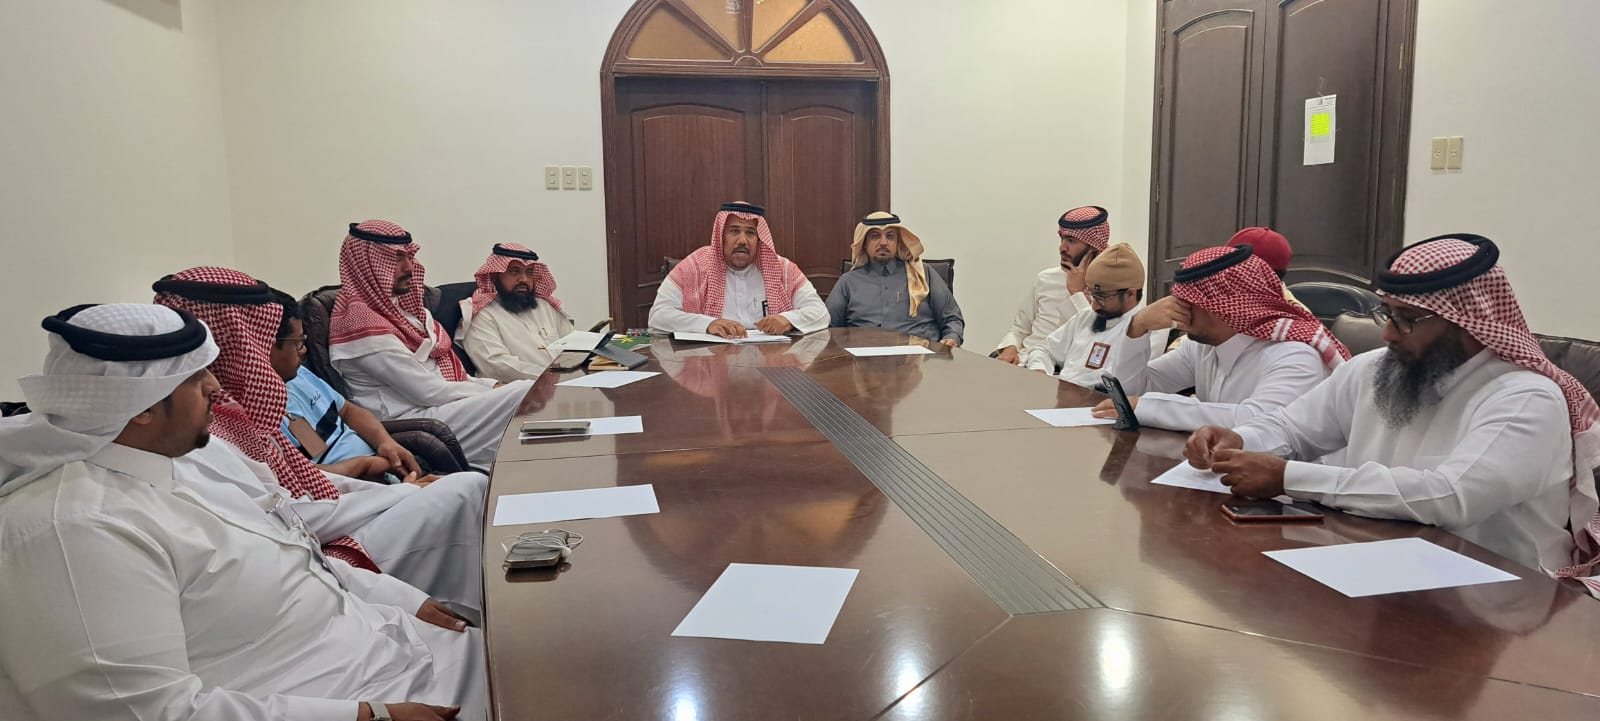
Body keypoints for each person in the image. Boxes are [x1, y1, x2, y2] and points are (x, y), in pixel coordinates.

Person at [0, 303, 485, 721]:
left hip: (386, 643)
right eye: (196, 377)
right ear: (141, 406)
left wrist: (400, 598)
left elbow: (293, 544)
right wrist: (367, 714)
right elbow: (145, 710)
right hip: (346, 698)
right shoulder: (74, 529)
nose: (216, 386)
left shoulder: (194, 455)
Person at [1183, 234, 1600, 584]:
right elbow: (1293, 429)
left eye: (1406, 319)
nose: (1387, 333)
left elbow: (1450, 498)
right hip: (1377, 562)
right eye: (1387, 313)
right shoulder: (1377, 369)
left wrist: (1288, 477)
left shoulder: (1526, 399)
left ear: (1464, 322)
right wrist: (1239, 440)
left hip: (1499, 597)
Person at [156, 268, 488, 623]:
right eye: (294, 343)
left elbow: (307, 480)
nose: (303, 351)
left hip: (340, 510)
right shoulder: (206, 438)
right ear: (252, 344)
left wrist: (386, 474)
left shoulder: (247, 411)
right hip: (320, 550)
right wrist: (399, 492)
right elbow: (291, 516)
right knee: (467, 489)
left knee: (466, 489)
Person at [328, 220, 533, 467]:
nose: (409, 267)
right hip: (412, 420)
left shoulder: (407, 312)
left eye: (409, 257)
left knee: (527, 401)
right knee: (525, 392)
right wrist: (493, 391)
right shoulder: (362, 324)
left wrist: (491, 385)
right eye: (396, 259)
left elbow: (449, 377)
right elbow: (429, 391)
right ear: (368, 264)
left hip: (441, 406)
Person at [1092, 244, 1349, 431]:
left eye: (1187, 300)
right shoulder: (1202, 347)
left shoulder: (1294, 354)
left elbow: (1258, 422)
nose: (1176, 308)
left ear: (1222, 305)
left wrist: (1151, 408)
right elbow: (1132, 392)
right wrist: (1137, 327)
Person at [268, 289, 435, 474]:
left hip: (381, 471)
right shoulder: (257, 419)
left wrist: (385, 442)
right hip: (347, 486)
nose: (303, 350)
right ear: (266, 346)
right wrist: (363, 466)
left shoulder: (299, 374)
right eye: (297, 342)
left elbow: (347, 410)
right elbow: (294, 477)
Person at [648, 202, 828, 339]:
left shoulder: (783, 270)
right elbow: (658, 316)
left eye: (750, 233)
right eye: (734, 231)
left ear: (759, 239)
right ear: (721, 237)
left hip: (769, 362)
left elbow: (820, 313)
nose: (742, 240)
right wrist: (708, 324)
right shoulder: (694, 267)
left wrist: (788, 320)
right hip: (711, 362)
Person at [1023, 244, 1167, 387]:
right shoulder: (1086, 317)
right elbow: (1043, 350)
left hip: (1101, 400)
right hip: (1061, 394)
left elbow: (1125, 381)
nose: (1095, 306)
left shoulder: (1150, 330)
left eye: (1102, 297)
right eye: (1092, 295)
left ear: (1130, 294)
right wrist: (1039, 370)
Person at [827, 212, 965, 346]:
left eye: (890, 236)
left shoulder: (922, 273)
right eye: (875, 236)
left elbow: (952, 318)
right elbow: (829, 328)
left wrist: (951, 338)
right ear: (864, 243)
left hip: (920, 357)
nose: (883, 242)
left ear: (898, 242)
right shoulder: (848, 282)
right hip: (864, 357)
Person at [994, 206, 1111, 364]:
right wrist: (1010, 348)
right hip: (1025, 362)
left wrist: (1076, 292)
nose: (1062, 248)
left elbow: (1097, 340)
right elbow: (1019, 329)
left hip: (1067, 372)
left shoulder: (1111, 288)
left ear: (1093, 247)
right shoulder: (1046, 278)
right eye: (1062, 239)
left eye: (1071, 241)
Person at [459, 243, 576, 383]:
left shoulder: (545, 307)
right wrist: (556, 376)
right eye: (515, 272)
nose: (524, 279)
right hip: (517, 392)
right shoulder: (482, 314)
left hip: (564, 383)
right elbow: (498, 367)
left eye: (529, 272)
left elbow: (573, 344)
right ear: (496, 276)